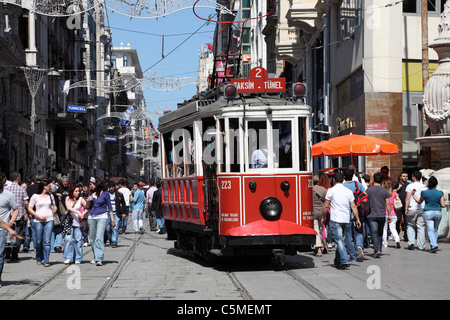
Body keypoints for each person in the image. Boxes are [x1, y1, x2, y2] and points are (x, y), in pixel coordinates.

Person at [321, 172, 361, 270]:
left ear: (333, 180)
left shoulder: (331, 190)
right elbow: (353, 206)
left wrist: (323, 217)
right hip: (346, 219)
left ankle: (344, 260)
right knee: (341, 241)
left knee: (339, 241)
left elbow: (326, 205)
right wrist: (357, 219)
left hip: (335, 219)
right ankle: (337, 261)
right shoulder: (348, 191)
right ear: (343, 179)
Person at [27, 179, 58, 267]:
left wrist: (54, 209)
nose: (50, 187)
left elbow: (54, 206)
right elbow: (30, 208)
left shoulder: (51, 196)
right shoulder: (35, 196)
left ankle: (47, 260)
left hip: (49, 220)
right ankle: (39, 257)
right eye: (49, 185)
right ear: (44, 186)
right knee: (38, 241)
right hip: (38, 221)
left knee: (47, 241)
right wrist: (37, 215)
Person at [411, 176, 445, 253]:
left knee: (430, 230)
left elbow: (419, 202)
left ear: (428, 184)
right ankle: (433, 246)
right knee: (435, 230)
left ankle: (433, 245)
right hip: (438, 212)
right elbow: (443, 205)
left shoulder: (424, 193)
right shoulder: (440, 193)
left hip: (428, 212)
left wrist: (413, 195)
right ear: (436, 184)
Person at [87, 180, 115, 266]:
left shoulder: (105, 193)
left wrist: (113, 219)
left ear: (97, 185)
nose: (90, 186)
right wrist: (88, 201)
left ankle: (99, 259)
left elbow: (109, 206)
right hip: (91, 217)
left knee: (99, 238)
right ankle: (96, 257)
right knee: (92, 239)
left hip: (102, 217)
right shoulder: (91, 194)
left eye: (91, 184)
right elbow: (88, 207)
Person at [0, 178, 22, 287]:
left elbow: (16, 208)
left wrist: (11, 223)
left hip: (1, 230)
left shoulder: (8, 195)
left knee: (0, 255)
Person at [342, 168, 366, 262]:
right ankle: (359, 246)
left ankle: (352, 254)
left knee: (349, 235)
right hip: (358, 211)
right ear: (353, 175)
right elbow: (365, 195)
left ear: (344, 176)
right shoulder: (357, 184)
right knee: (358, 231)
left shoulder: (343, 186)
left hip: (347, 212)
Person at [5, 172, 29, 262]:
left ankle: (7, 254)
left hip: (8, 216)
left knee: (8, 234)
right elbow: (26, 202)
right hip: (19, 215)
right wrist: (28, 212)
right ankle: (14, 255)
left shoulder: (6, 189)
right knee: (18, 234)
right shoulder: (22, 189)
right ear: (18, 179)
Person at [366, 172, 391, 258]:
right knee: (380, 233)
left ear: (373, 179)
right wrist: (390, 215)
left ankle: (376, 249)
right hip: (382, 215)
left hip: (371, 215)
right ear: (382, 180)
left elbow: (364, 201)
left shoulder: (368, 190)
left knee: (374, 232)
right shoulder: (385, 191)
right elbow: (388, 204)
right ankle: (379, 249)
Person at [63, 185, 87, 264]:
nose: (78, 193)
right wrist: (78, 212)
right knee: (68, 239)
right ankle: (68, 257)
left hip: (78, 223)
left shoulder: (80, 199)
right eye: (76, 191)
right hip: (69, 222)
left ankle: (78, 258)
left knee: (78, 240)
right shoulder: (68, 198)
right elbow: (69, 208)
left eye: (79, 191)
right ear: (72, 192)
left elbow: (88, 207)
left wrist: (83, 213)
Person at [404, 171, 426, 250]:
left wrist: (406, 208)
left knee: (410, 225)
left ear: (413, 177)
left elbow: (408, 197)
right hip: (422, 208)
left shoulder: (410, 186)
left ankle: (411, 242)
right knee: (421, 226)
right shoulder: (424, 186)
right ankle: (421, 245)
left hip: (412, 208)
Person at [105, 181, 126, 248]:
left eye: (112, 187)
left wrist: (124, 213)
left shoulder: (119, 194)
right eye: (110, 187)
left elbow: (123, 204)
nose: (111, 188)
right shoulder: (106, 194)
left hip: (116, 213)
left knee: (115, 228)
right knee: (108, 228)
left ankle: (114, 241)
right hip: (107, 213)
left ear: (114, 187)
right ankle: (110, 239)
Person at [382, 180, 401, 249]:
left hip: (384, 213)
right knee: (393, 228)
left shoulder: (383, 194)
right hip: (393, 213)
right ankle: (397, 240)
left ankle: (384, 243)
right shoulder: (394, 194)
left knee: (384, 228)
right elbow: (399, 201)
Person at [393, 171, 410, 241]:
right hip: (398, 205)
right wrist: (398, 189)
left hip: (407, 205)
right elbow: (391, 192)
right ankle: (396, 235)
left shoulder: (409, 185)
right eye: (403, 176)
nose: (405, 177)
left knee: (407, 221)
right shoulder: (396, 184)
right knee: (398, 220)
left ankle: (406, 236)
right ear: (400, 177)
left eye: (406, 176)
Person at [312, 174, 326, 256]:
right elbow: (326, 200)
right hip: (322, 211)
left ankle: (318, 249)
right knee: (321, 229)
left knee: (316, 229)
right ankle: (319, 247)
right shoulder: (323, 189)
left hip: (313, 210)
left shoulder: (311, 189)